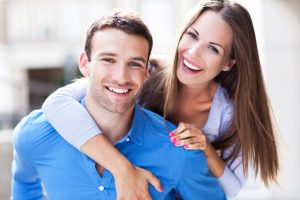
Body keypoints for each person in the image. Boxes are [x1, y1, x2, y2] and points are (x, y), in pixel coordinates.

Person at [42, 0, 279, 198]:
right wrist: (122, 169)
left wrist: (204, 146)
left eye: (213, 49)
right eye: (192, 35)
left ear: (229, 63)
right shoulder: (146, 72)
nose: (193, 53)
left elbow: (231, 187)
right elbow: (56, 104)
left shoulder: (229, 114)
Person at [11, 10, 226, 200]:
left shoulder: (179, 151)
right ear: (85, 64)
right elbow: (24, 184)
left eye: (134, 64)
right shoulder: (34, 134)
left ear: (145, 74)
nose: (121, 77)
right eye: (108, 60)